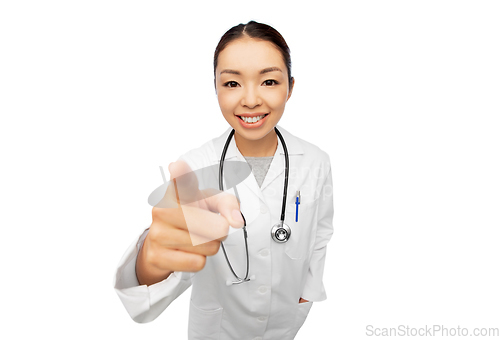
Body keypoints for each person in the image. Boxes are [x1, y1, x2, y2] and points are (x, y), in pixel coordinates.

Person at [114, 20, 334, 339]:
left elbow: (321, 231)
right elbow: (157, 280)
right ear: (215, 87)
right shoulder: (194, 167)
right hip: (219, 328)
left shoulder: (316, 160)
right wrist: (150, 256)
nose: (250, 100)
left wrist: (308, 289)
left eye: (269, 81)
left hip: (286, 322)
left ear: (291, 86)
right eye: (232, 84)